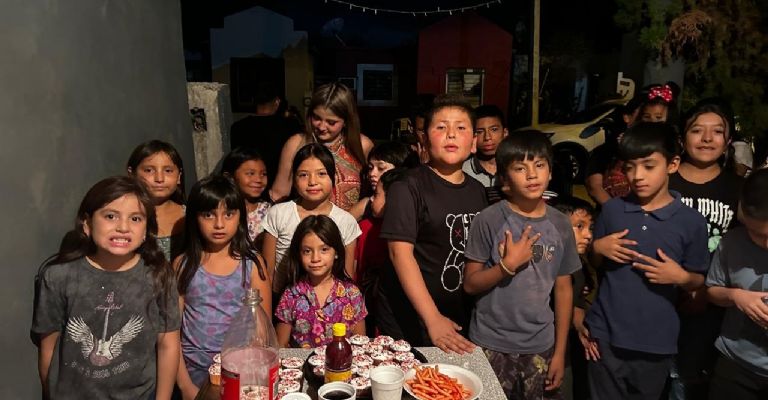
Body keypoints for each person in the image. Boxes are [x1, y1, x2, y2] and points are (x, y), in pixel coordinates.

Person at [584, 122, 709, 400]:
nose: (638, 176)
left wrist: (681, 278)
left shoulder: (691, 222)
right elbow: (596, 265)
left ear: (673, 164)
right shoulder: (613, 210)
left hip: (656, 342)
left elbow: (700, 278)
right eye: (630, 167)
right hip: (606, 334)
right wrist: (597, 248)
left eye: (649, 166)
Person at [32, 176, 180, 399]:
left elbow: (168, 344)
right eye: (110, 216)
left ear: (146, 229)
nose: (123, 227)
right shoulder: (58, 277)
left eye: (136, 219)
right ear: (87, 224)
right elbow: (48, 350)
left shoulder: (159, 275)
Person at [463, 131, 581, 399]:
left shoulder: (560, 224)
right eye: (520, 168)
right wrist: (506, 267)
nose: (532, 175)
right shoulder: (489, 220)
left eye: (539, 165)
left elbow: (563, 290)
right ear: (504, 179)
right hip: (489, 344)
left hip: (541, 345)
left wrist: (560, 352)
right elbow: (470, 284)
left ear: (550, 172)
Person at [378, 95, 488, 353]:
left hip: (457, 317)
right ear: (425, 140)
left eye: (461, 128)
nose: (451, 134)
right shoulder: (407, 186)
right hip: (410, 319)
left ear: (473, 143)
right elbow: (399, 254)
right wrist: (432, 319)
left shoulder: (478, 191)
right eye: (441, 127)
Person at [668, 99, 744, 399]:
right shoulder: (662, 181)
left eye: (717, 132)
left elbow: (741, 248)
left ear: (728, 142)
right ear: (682, 138)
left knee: (691, 383)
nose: (707, 138)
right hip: (658, 299)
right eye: (697, 130)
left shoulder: (737, 188)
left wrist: (706, 289)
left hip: (710, 308)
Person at [174, 176, 271, 399]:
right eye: (208, 215)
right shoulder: (182, 265)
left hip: (241, 372)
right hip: (194, 372)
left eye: (228, 214)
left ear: (240, 216)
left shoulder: (252, 264)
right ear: (194, 217)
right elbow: (172, 331)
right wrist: (184, 385)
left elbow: (262, 329)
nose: (219, 224)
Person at [261, 143, 361, 298]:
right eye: (303, 175)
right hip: (281, 300)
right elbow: (267, 272)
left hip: (329, 304)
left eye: (321, 174)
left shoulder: (346, 221)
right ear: (293, 179)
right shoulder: (278, 213)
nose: (312, 181)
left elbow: (346, 276)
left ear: (333, 177)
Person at [705, 169, 768, 400]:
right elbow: (712, 290)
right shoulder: (732, 242)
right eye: (757, 234)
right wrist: (736, 296)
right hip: (737, 364)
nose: (766, 243)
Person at [270, 82, 374, 211]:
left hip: (352, 225)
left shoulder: (362, 145)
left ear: (346, 121)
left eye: (331, 122)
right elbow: (279, 194)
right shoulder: (296, 144)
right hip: (306, 226)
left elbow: (375, 193)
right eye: (317, 118)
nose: (321, 127)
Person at [275, 215, 367, 348]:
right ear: (299, 254)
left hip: (343, 368)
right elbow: (280, 346)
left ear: (336, 252)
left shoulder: (352, 294)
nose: (315, 258)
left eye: (324, 249)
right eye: (307, 251)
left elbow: (361, 345)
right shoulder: (291, 295)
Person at [553, 196, 598, 400]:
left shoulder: (579, 266)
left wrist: (580, 326)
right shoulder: (544, 264)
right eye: (579, 226)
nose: (588, 235)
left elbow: (577, 303)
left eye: (590, 227)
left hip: (564, 350)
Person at [355, 168, 408, 334]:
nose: (371, 199)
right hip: (370, 306)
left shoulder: (369, 229)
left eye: (376, 194)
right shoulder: (364, 229)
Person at [230, 82, 301, 186]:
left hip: (249, 185)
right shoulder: (291, 126)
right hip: (283, 186)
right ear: (277, 102)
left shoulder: (238, 127)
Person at [127, 140, 186, 261]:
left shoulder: (190, 215)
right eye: (149, 170)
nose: (159, 178)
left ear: (179, 176)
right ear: (132, 174)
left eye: (168, 170)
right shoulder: (123, 217)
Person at [585, 98, 642, 205]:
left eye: (658, 117)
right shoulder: (607, 150)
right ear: (626, 117)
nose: (651, 121)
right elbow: (594, 186)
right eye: (644, 115)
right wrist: (617, 213)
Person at [348, 141, 419, 221]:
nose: (372, 174)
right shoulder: (366, 204)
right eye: (370, 168)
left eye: (381, 168)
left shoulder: (416, 204)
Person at [220, 147, 272, 242]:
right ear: (229, 177)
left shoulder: (270, 212)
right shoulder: (220, 210)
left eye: (263, 174)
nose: (258, 180)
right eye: (250, 173)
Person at [462, 104, 508, 204]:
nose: (487, 137)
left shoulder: (515, 167)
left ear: (505, 133)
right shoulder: (462, 171)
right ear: (473, 136)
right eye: (480, 131)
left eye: (494, 129)